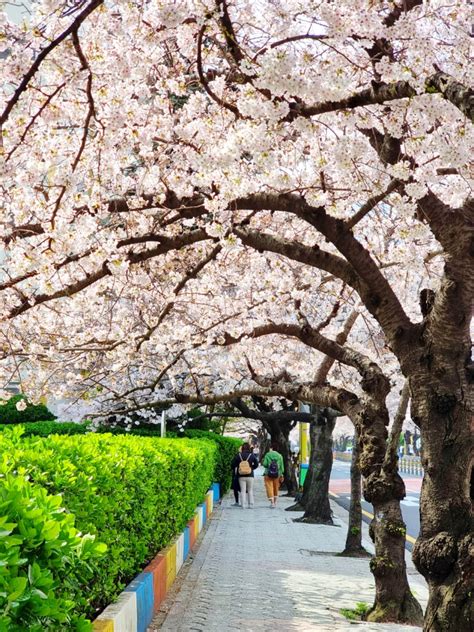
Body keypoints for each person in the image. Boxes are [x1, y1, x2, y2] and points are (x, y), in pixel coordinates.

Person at [231, 442, 259, 508]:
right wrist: (251, 468)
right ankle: (251, 505)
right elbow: (257, 464)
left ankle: (243, 505)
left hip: (241, 475)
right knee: (250, 490)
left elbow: (232, 464)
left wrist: (239, 467)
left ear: (242, 448)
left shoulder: (239, 455)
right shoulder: (251, 455)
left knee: (242, 490)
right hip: (250, 475)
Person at [262, 442, 285, 508]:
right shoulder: (280, 456)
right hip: (277, 474)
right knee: (276, 487)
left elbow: (265, 464)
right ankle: (275, 502)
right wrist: (281, 474)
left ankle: (271, 502)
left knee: (269, 487)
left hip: (268, 474)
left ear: (271, 448)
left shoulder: (268, 455)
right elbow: (282, 467)